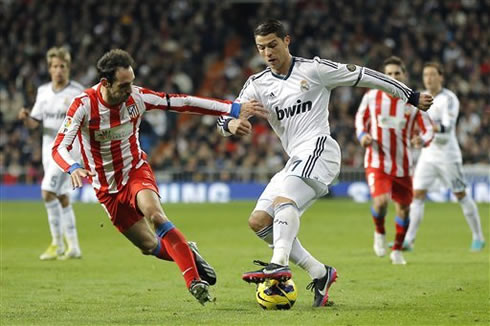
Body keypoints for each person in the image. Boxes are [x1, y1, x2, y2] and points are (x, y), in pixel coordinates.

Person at [216, 20, 433, 307]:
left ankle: (278, 263)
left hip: (320, 149)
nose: (267, 52)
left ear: (286, 41)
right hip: (295, 159)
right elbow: (224, 116)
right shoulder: (257, 84)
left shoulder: (314, 70)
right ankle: (320, 273)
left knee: (284, 200)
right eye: (261, 47)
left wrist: (410, 95)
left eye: (272, 45)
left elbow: (366, 75)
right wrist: (231, 125)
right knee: (259, 222)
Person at [51, 49, 267, 305]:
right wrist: (73, 168)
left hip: (135, 171)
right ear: (106, 83)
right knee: (149, 246)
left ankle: (193, 281)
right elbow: (59, 147)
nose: (130, 90)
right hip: (106, 189)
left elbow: (182, 102)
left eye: (132, 82)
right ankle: (188, 250)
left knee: (154, 214)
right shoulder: (83, 105)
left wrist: (232, 107)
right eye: (124, 85)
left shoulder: (137, 97)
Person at [354, 56, 434, 265]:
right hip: (377, 160)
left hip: (403, 165)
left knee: (405, 209)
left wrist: (421, 139)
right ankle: (379, 233)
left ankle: (397, 249)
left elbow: (428, 129)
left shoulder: (412, 101)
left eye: (397, 73)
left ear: (404, 75)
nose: (393, 77)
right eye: (388, 74)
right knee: (380, 203)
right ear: (382, 76)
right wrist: (363, 137)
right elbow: (360, 120)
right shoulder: (372, 96)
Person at [404, 62, 486, 251]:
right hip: (428, 154)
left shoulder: (449, 99)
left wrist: (432, 128)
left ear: (441, 77)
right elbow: (424, 131)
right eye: (426, 75)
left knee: (460, 194)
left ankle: (478, 237)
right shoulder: (421, 99)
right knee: (417, 194)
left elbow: (448, 128)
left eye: (433, 74)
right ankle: (409, 240)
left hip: (448, 155)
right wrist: (421, 140)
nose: (429, 78)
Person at [18, 47, 84, 260]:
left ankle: (57, 244)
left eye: (62, 66)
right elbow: (34, 124)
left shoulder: (77, 92)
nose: (58, 70)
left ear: (68, 68)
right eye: (55, 66)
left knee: (47, 192)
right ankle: (73, 247)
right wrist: (26, 118)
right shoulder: (43, 92)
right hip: (48, 149)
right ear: (49, 69)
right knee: (62, 196)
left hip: (67, 149)